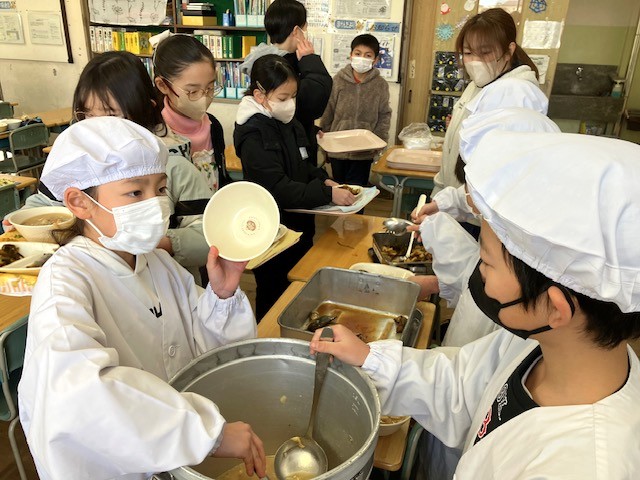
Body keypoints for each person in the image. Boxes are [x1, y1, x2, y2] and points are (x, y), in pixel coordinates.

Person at [311, 130, 640, 479]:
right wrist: (370, 360)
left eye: (486, 262)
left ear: (555, 307)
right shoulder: (542, 346)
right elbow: (461, 384)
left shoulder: (585, 467)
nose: (478, 274)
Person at [19, 117, 266, 480]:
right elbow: (82, 396)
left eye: (161, 189)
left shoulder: (157, 262)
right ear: (79, 202)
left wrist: (222, 296)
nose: (156, 204)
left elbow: (208, 355)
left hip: (173, 455)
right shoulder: (65, 281)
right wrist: (205, 434)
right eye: (135, 193)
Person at [5, 51, 212, 284]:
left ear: (145, 109)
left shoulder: (173, 167)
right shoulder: (75, 166)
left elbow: (209, 238)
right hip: (92, 281)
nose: (96, 126)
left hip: (167, 287)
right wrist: (21, 221)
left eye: (111, 115)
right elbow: (42, 205)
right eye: (86, 114)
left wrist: (156, 242)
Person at [410, 108, 561, 347]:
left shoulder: (531, 257)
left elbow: (481, 356)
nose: (469, 199)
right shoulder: (510, 219)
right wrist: (436, 283)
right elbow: (478, 278)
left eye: (473, 190)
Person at [233, 54, 353, 320]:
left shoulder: (288, 122)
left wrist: (323, 179)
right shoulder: (253, 133)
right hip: (274, 229)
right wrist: (326, 194)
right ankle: (267, 335)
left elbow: (303, 162)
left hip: (300, 221)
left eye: (294, 96)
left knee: (299, 286)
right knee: (274, 293)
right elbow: (277, 188)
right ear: (259, 95)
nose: (290, 104)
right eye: (283, 97)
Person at [430, 8, 543, 213]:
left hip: (479, 213)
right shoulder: (478, 85)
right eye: (468, 53)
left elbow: (501, 173)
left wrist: (450, 203)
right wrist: (441, 195)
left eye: (485, 53)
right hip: (459, 203)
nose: (475, 61)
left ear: (508, 51)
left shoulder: (515, 93)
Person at [240, 0, 332, 167]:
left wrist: (311, 129)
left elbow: (293, 111)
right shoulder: (284, 66)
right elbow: (314, 100)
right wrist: (309, 58)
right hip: (288, 151)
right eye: (305, 27)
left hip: (283, 141)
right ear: (297, 31)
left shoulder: (263, 59)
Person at [154, 34, 232, 191]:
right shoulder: (157, 138)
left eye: (210, 88)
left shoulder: (213, 126)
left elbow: (221, 178)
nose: (204, 98)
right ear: (163, 85)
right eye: (193, 91)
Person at [320, 33, 392, 187]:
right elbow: (328, 111)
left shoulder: (380, 85)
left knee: (358, 191)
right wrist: (324, 144)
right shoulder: (338, 81)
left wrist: (379, 142)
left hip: (364, 151)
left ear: (375, 60)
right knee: (339, 189)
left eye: (368, 55)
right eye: (358, 53)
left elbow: (384, 115)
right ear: (351, 55)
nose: (362, 58)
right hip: (338, 149)